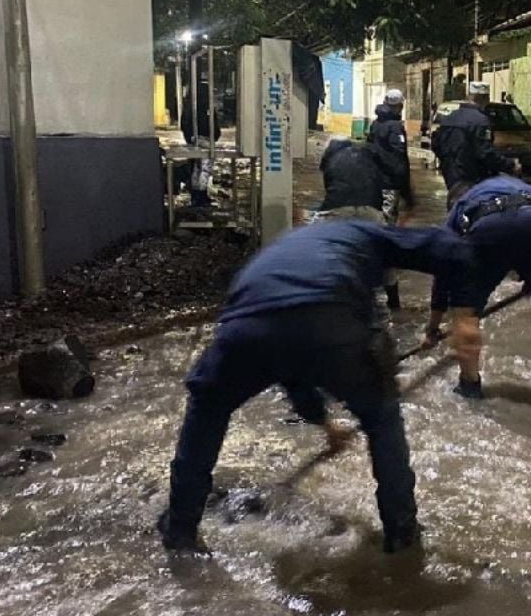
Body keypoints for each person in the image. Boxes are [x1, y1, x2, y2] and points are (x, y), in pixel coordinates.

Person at [157, 220, 474, 555]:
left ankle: (180, 530)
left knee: (208, 408)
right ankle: (403, 534)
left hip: (244, 329)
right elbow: (456, 251)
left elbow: (289, 361)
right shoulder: (364, 232)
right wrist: (466, 320)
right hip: (332, 318)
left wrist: (324, 423)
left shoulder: (278, 250)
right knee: (381, 419)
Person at [422, 175, 531, 403]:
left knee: (465, 312)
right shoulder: (508, 184)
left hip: (491, 226)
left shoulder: (459, 210)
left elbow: (443, 277)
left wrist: (432, 328)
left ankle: (469, 386)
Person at [311, 138, 416, 319]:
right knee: (386, 256)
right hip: (370, 210)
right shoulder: (370, 151)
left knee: (316, 251)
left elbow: (330, 188)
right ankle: (395, 305)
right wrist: (408, 198)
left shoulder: (330, 158)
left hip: (336, 210)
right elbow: (398, 171)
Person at [431, 82, 521, 207]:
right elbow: (486, 153)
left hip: (451, 180)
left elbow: (436, 145)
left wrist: (449, 164)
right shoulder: (481, 120)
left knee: (455, 214)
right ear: (485, 98)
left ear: (468, 96)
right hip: (472, 181)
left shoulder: (449, 118)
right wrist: (510, 165)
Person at [368, 90, 416, 309]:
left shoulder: (376, 124)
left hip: (374, 184)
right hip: (389, 185)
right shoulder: (395, 127)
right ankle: (390, 293)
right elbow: (399, 161)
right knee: (387, 232)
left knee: (377, 225)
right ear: (399, 106)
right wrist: (407, 191)